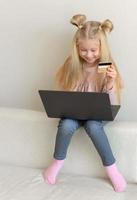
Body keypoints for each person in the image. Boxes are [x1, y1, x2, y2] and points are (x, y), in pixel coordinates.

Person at [43, 14, 127, 192]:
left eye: (93, 50)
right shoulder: (73, 64)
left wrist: (110, 83)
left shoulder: (105, 65)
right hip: (75, 112)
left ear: (101, 48)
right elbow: (67, 94)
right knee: (66, 125)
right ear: (77, 48)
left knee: (93, 126)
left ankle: (111, 169)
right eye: (84, 50)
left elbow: (110, 104)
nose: (89, 55)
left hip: (97, 114)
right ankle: (57, 162)